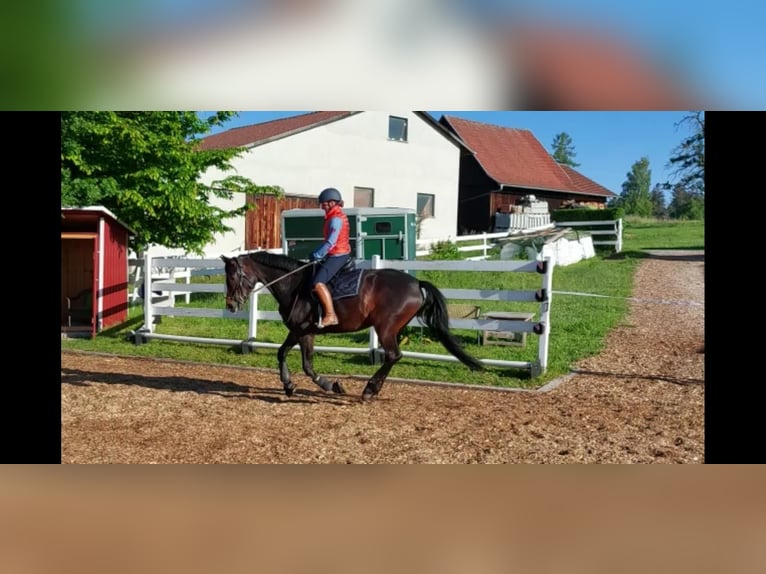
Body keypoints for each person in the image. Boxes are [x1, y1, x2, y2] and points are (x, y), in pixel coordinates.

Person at [310, 187, 351, 328]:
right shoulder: (335, 216)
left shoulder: (335, 219)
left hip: (338, 255)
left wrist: (317, 255)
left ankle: (330, 315)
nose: (323, 207)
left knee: (318, 283)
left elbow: (330, 242)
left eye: (325, 204)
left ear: (332, 203)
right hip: (339, 252)